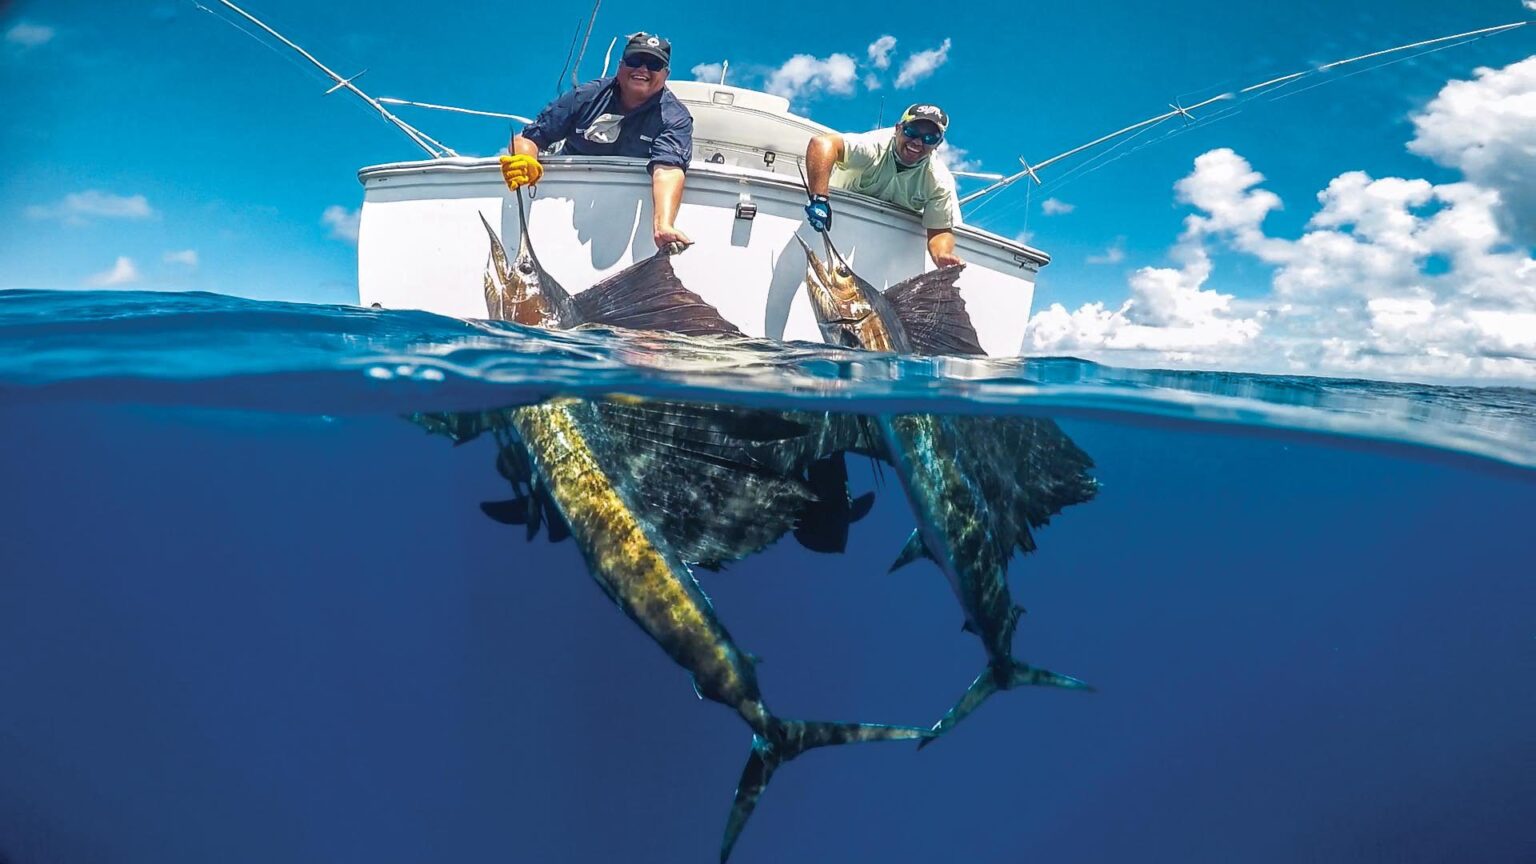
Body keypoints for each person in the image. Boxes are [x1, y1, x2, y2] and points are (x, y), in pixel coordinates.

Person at [500, 33, 693, 251]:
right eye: (634, 61)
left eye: (654, 64)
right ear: (620, 66)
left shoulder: (674, 117)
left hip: (622, 216)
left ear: (665, 74)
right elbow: (529, 138)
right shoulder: (585, 96)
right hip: (562, 205)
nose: (642, 69)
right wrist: (524, 159)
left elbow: (668, 170)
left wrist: (663, 225)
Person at [802, 103, 964, 267]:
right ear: (898, 128)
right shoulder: (873, 146)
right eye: (911, 131)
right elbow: (822, 144)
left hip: (882, 254)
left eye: (929, 138)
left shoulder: (940, 180)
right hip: (829, 222)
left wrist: (942, 255)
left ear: (938, 144)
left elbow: (940, 229)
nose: (917, 142)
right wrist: (819, 198)